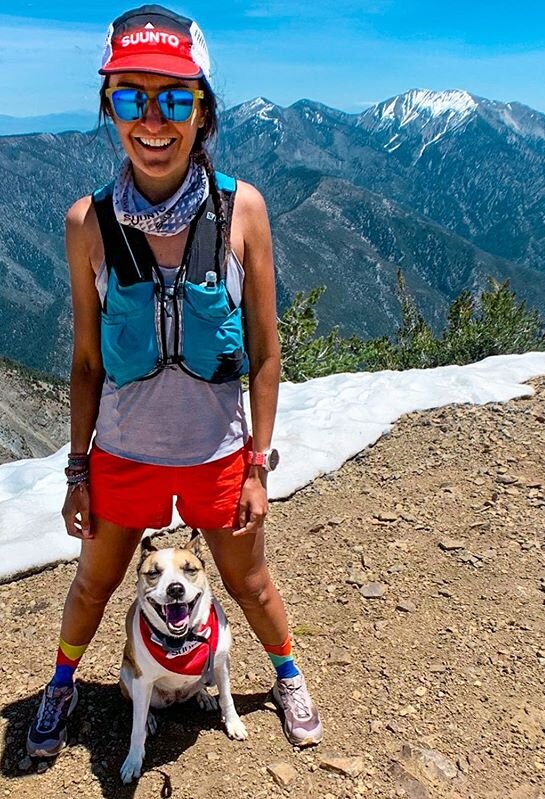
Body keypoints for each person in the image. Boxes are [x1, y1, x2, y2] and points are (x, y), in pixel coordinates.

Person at [27, 4, 322, 758]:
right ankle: (62, 685)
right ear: (109, 110)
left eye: (174, 99)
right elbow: (87, 362)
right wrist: (77, 469)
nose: (151, 120)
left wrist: (258, 463)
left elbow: (264, 350)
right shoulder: (86, 223)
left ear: (203, 112)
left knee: (250, 580)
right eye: (129, 97)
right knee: (93, 584)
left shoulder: (242, 211)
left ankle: (286, 673)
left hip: (219, 454)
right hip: (122, 453)